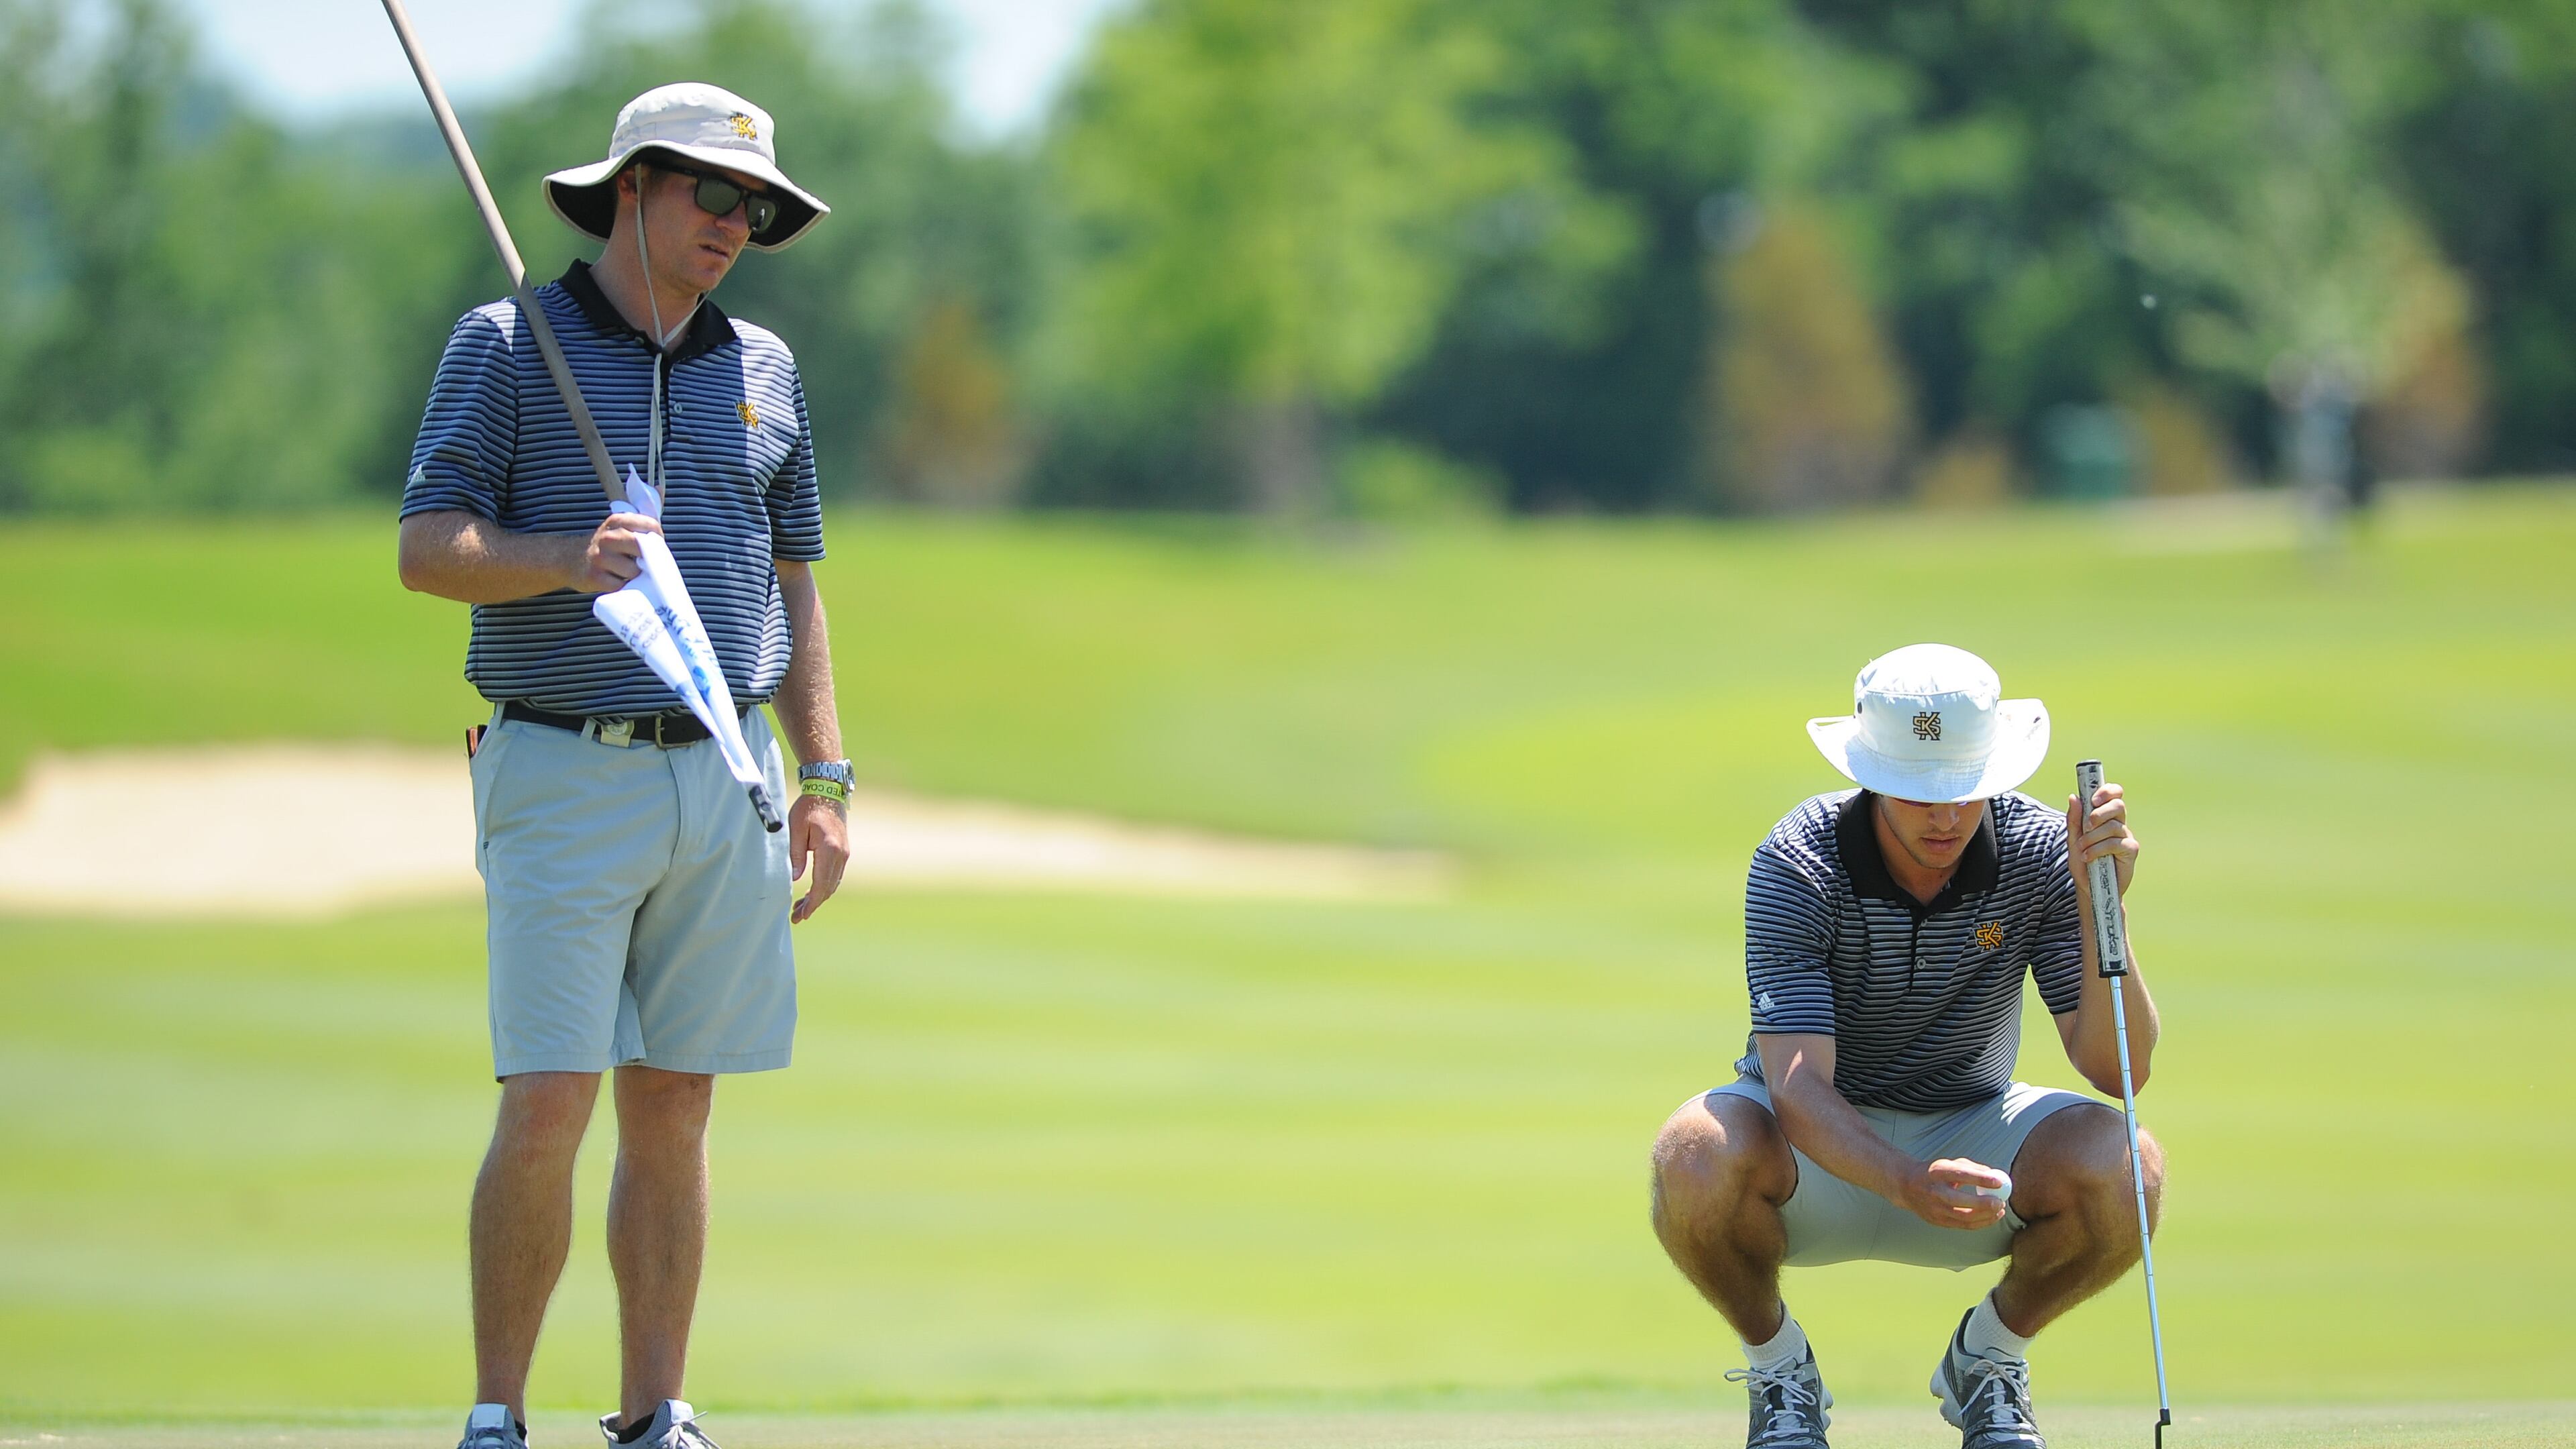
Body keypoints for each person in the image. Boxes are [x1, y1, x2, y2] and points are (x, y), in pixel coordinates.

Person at [397, 83, 851, 1449]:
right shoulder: (507, 343)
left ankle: (656, 1415)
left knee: (678, 1108)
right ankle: (496, 1417)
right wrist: (563, 558)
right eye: (712, 194)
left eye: (758, 207)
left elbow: (797, 578)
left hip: (726, 773)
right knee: (547, 1101)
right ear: (634, 188)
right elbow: (428, 548)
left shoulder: (763, 368)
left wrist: (824, 777)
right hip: (562, 765)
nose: (737, 224)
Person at [1649, 644, 2163, 1449]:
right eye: (1920, 793)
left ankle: (1988, 1362)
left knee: (2132, 1166)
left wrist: (2106, 910)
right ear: (1869, 776)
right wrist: (1902, 1180)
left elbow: (2119, 1068)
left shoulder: (2036, 851)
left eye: (1965, 788)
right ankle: (1781, 1372)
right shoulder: (1799, 860)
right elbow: (1794, 1083)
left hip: (1975, 1125)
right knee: (1693, 1155)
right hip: (1812, 1144)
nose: (1947, 816)